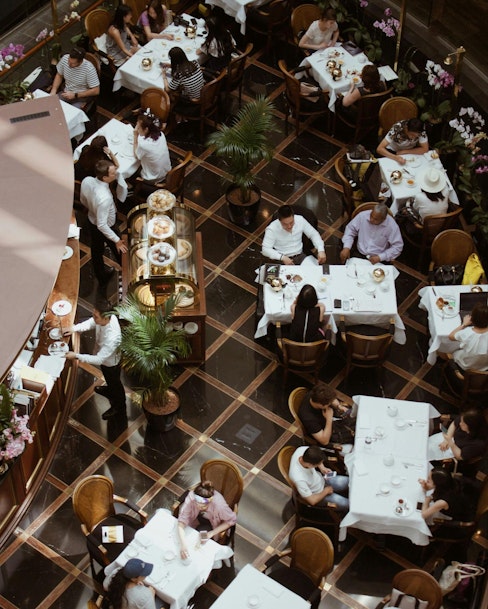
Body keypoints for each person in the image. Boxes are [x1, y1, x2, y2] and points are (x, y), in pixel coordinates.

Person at [65, 299, 127, 420]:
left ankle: (119, 406)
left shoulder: (112, 337)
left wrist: (76, 355)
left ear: (105, 318)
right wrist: (74, 328)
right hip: (104, 360)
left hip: (111, 364)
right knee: (110, 380)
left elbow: (98, 359)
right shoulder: (103, 319)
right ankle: (110, 390)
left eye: (96, 316)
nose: (93, 317)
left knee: (115, 384)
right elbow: (91, 323)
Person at [80, 160, 128, 286]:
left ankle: (101, 276)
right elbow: (102, 225)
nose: (115, 174)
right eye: (113, 173)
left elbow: (83, 200)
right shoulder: (105, 198)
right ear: (105, 177)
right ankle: (128, 272)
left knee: (96, 250)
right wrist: (116, 240)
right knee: (121, 251)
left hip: (91, 220)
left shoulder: (87, 180)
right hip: (107, 226)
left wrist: (93, 208)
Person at [177, 481, 237, 560]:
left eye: (202, 507)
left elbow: (231, 520)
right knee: (189, 539)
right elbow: (181, 521)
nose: (198, 507)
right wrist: (183, 545)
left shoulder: (219, 506)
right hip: (195, 520)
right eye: (196, 504)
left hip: (213, 525)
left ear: (210, 502)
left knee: (202, 548)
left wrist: (212, 533)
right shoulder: (192, 498)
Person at [289, 445, 349, 510]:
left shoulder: (303, 450)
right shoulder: (299, 479)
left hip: (322, 480)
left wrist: (322, 468)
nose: (320, 464)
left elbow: (317, 457)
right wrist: (326, 491)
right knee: (346, 504)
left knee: (349, 481)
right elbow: (312, 500)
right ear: (310, 465)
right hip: (318, 494)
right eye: (318, 464)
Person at [262, 205, 326, 265]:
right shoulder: (272, 229)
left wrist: (321, 249)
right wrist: (282, 258)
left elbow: (313, 234)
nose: (289, 226)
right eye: (285, 224)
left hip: (301, 255)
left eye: (291, 222)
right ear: (279, 221)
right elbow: (265, 249)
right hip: (283, 259)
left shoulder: (300, 220)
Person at [298, 382, 354, 447]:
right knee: (355, 435)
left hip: (329, 421)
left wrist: (339, 406)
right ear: (321, 405)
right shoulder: (309, 419)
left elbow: (332, 399)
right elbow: (324, 441)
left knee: (355, 418)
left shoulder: (316, 394)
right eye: (329, 403)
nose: (331, 403)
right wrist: (329, 419)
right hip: (325, 432)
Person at [161, 47, 205, 114]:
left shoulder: (179, 74)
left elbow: (168, 89)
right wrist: (171, 66)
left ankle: (169, 112)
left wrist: (164, 76)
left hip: (193, 100)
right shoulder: (194, 62)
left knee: (169, 92)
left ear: (173, 60)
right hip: (203, 92)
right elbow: (184, 66)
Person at [133, 110, 171, 184]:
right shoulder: (161, 134)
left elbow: (136, 156)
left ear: (146, 129)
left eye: (138, 127)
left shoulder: (144, 145)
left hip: (154, 177)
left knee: (132, 168)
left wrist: (135, 136)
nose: (137, 129)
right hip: (166, 171)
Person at [448, 302, 488, 372]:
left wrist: (463, 324)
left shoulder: (467, 333)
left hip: (466, 365)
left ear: (472, 319)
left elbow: (451, 336)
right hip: (485, 366)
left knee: (448, 349)